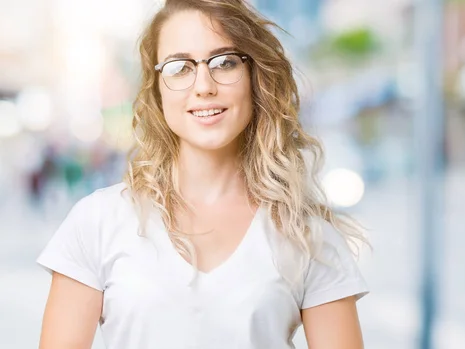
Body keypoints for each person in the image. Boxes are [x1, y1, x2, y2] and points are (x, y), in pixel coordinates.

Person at [37, 0, 369, 348]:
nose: (204, 86)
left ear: (255, 78)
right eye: (179, 67)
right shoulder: (98, 221)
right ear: (157, 88)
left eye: (224, 62)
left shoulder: (307, 235)